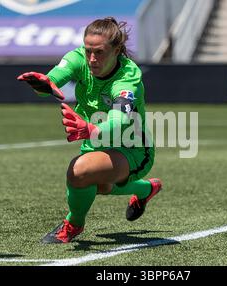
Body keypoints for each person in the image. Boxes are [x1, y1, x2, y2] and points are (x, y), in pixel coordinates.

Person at [17, 17, 162, 244]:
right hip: (97, 140)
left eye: (100, 52)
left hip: (132, 148)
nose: (92, 58)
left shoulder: (127, 76)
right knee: (100, 186)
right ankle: (146, 190)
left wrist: (91, 128)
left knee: (80, 171)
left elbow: (120, 119)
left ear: (117, 50)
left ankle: (73, 224)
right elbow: (53, 80)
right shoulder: (78, 58)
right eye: (88, 51)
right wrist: (43, 84)